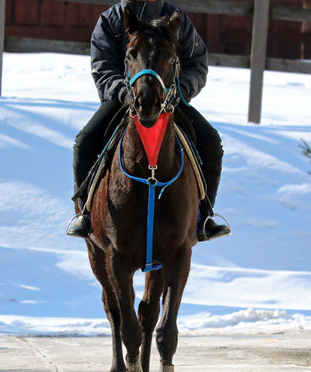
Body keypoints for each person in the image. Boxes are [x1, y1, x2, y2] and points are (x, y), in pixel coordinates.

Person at [67, 0, 231, 241]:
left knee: (211, 143)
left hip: (169, 99)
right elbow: (102, 67)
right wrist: (123, 93)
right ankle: (86, 215)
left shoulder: (177, 19)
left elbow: (197, 63)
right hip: (123, 99)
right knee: (85, 142)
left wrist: (180, 90)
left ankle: (204, 216)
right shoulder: (110, 20)